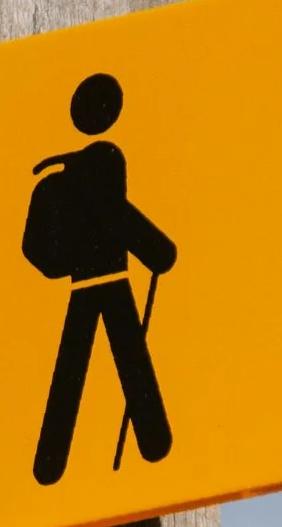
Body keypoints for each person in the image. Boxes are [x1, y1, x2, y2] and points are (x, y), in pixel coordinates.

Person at [21, 73, 177, 485]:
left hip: (83, 287)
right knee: (129, 360)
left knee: (77, 367)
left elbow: (37, 248)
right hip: (112, 280)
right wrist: (159, 251)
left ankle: (50, 463)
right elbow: (118, 216)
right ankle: (153, 442)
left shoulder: (65, 172)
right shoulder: (105, 162)